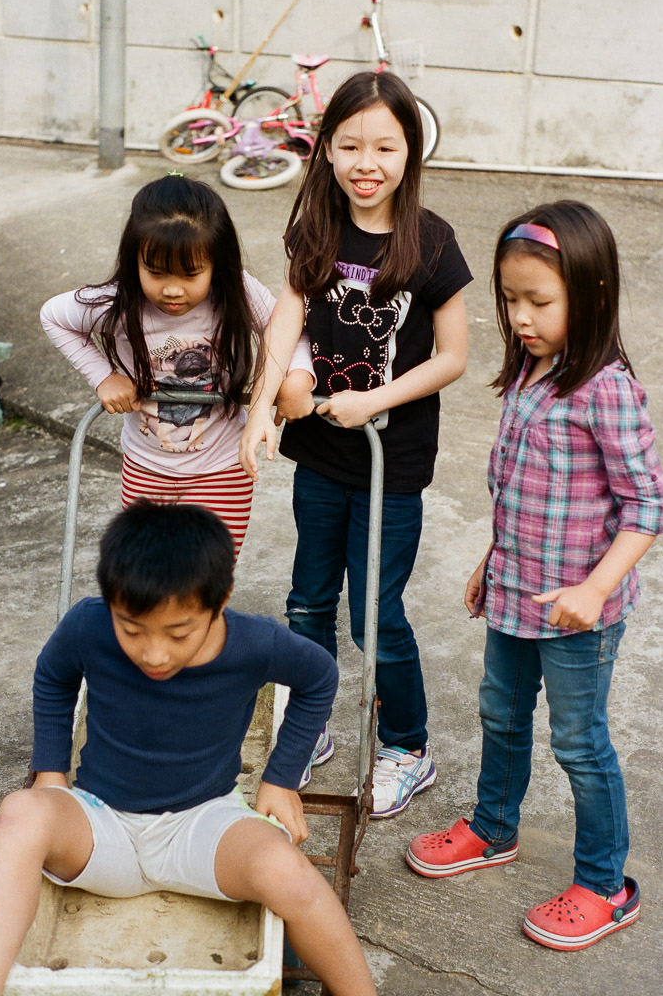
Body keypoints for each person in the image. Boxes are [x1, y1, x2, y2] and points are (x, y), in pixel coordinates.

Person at [406, 200, 663, 951]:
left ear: (592, 294)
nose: (520, 317)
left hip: (578, 613)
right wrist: (492, 559)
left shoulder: (606, 389)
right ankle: (494, 828)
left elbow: (647, 506)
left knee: (579, 744)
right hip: (515, 594)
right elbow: (520, 484)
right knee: (501, 714)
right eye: (509, 298)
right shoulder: (530, 367)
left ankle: (604, 885)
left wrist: (593, 589)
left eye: (539, 302)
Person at [0, 501, 377, 996]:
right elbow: (53, 675)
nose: (154, 653)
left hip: (204, 825)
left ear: (221, 600)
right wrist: (49, 770)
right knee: (20, 812)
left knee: (289, 873)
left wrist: (280, 779)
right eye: (132, 629)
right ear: (110, 601)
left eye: (178, 633)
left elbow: (319, 677)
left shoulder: (254, 642)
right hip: (99, 823)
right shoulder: (89, 624)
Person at [239, 71, 473, 818]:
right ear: (326, 151)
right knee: (308, 602)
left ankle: (407, 746)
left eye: (384, 146)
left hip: (390, 465)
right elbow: (286, 321)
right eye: (348, 146)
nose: (365, 163)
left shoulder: (432, 242)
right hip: (320, 456)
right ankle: (309, 726)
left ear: (410, 152)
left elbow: (453, 356)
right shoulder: (314, 229)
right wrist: (262, 407)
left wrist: (375, 398)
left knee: (376, 614)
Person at [40, 174, 313, 558]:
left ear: (216, 264)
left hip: (221, 468)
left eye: (190, 274)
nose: (171, 289)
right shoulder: (119, 303)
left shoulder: (235, 292)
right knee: (147, 573)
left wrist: (297, 379)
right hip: (145, 468)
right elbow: (53, 316)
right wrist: (104, 377)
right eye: (155, 272)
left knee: (209, 576)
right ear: (134, 260)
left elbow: (288, 329)